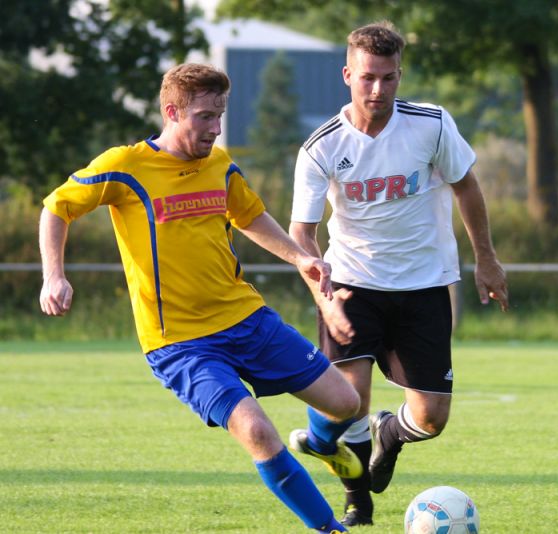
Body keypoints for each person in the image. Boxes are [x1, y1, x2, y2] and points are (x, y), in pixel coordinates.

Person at [38, 63, 363, 533]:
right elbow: (55, 208)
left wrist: (300, 258)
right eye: (205, 116)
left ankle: (319, 443)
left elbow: (249, 216)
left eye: (220, 116)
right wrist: (53, 275)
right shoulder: (125, 166)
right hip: (181, 343)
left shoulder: (219, 165)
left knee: (346, 402)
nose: (215, 128)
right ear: (172, 112)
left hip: (247, 318)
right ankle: (330, 529)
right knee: (256, 430)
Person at [287, 21, 508, 527]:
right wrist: (324, 297)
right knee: (350, 400)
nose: (378, 89)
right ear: (348, 75)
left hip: (424, 283)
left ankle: (389, 434)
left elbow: (466, 186)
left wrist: (487, 259)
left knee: (431, 419)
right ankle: (357, 499)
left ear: (399, 76)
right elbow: (302, 234)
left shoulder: (431, 125)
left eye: (388, 78)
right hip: (352, 284)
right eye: (368, 77)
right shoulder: (321, 147)